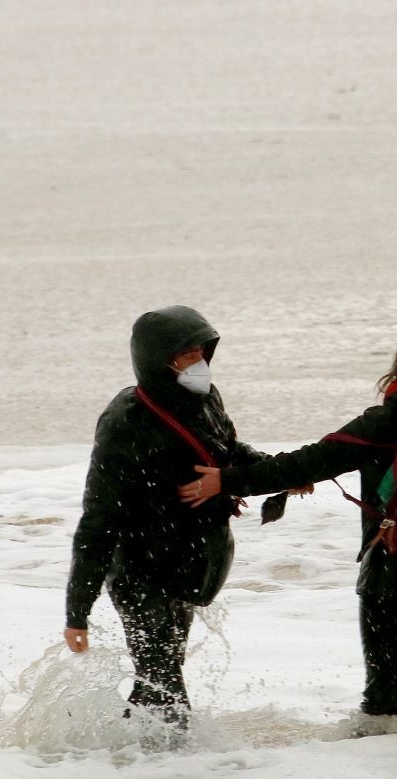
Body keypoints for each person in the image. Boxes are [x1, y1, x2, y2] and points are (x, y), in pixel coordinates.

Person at [180, 332, 397, 733]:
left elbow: (303, 465)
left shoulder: (378, 427)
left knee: (380, 712)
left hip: (390, 581)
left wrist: (227, 481)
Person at [63, 305, 291, 731]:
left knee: (157, 681)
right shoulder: (124, 422)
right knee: (165, 682)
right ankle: (180, 773)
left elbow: (228, 454)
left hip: (185, 564)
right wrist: (78, 611)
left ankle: (114, 753)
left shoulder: (205, 397)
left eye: (203, 350)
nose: (199, 361)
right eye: (188, 353)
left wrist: (282, 472)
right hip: (137, 571)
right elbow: (98, 518)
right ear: (160, 359)